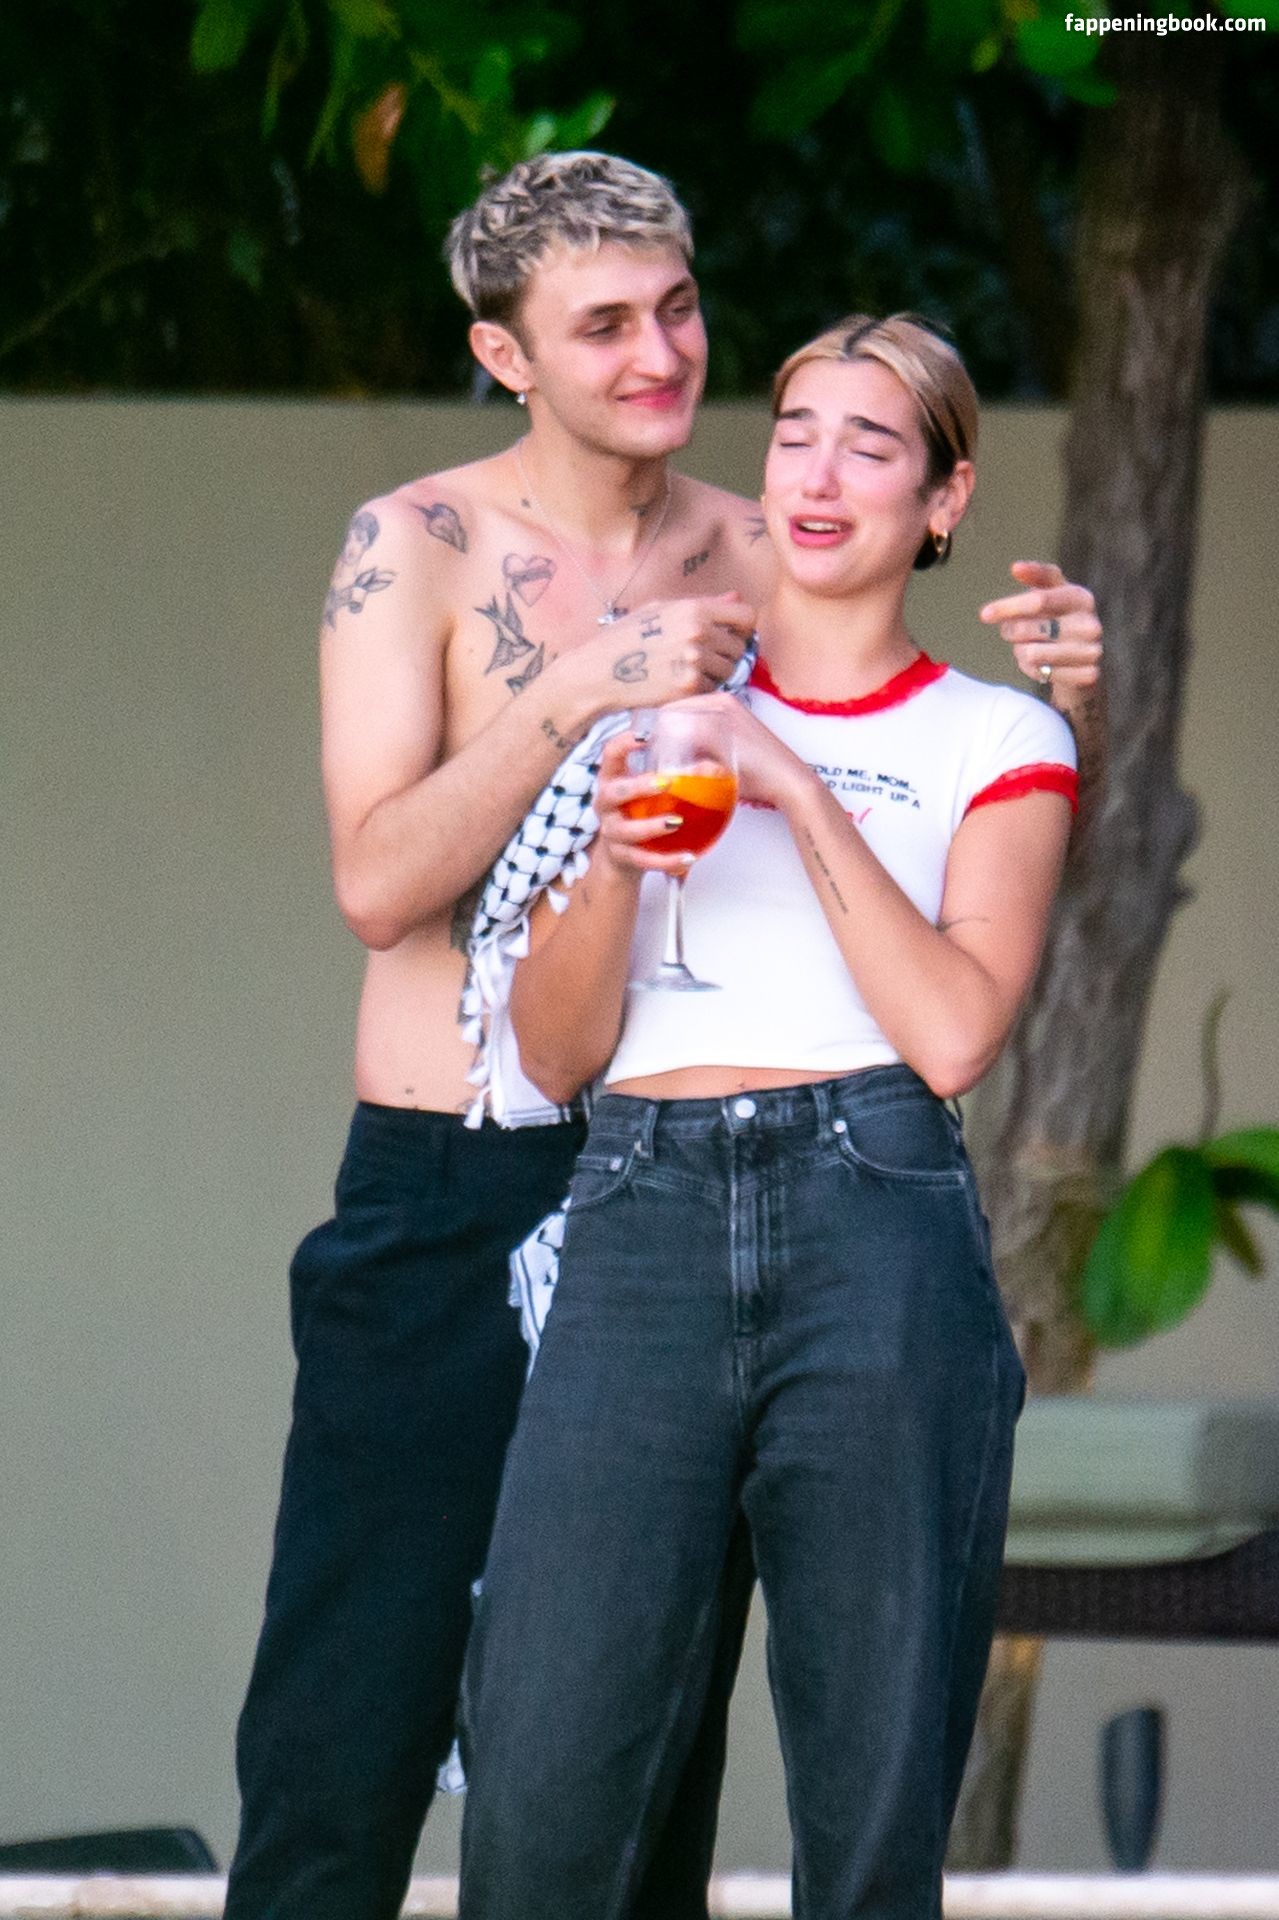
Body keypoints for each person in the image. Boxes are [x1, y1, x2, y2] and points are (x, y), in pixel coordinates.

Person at [224, 146, 1102, 1920]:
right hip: (457, 1185)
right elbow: (378, 885)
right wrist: (580, 687)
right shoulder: (419, 546)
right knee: (347, 1740)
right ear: (504, 356)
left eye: (680, 309)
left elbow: (905, 714)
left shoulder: (756, 540)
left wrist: (1070, 665)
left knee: (642, 1785)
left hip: (694, 1182)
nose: (659, 354)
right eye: (603, 325)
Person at [457, 313, 1086, 1920]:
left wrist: (792, 782)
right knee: (541, 1791)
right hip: (641, 1214)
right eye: (796, 432)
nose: (817, 472)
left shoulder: (1000, 736)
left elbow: (955, 1031)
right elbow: (551, 1053)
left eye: (870, 446)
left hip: (873, 1217)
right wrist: (615, 861)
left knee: (869, 1819)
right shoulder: (648, 712)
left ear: (942, 501)